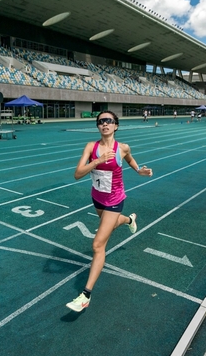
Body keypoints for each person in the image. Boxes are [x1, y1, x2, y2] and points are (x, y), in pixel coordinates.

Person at [66, 111, 153, 312]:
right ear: (98, 126)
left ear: (116, 126)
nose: (105, 124)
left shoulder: (122, 148)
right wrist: (97, 161)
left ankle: (86, 295)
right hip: (97, 198)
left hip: (115, 200)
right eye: (101, 121)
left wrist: (139, 170)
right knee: (111, 224)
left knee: (98, 245)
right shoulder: (91, 147)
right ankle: (129, 221)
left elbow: (130, 159)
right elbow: (77, 174)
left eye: (109, 121)